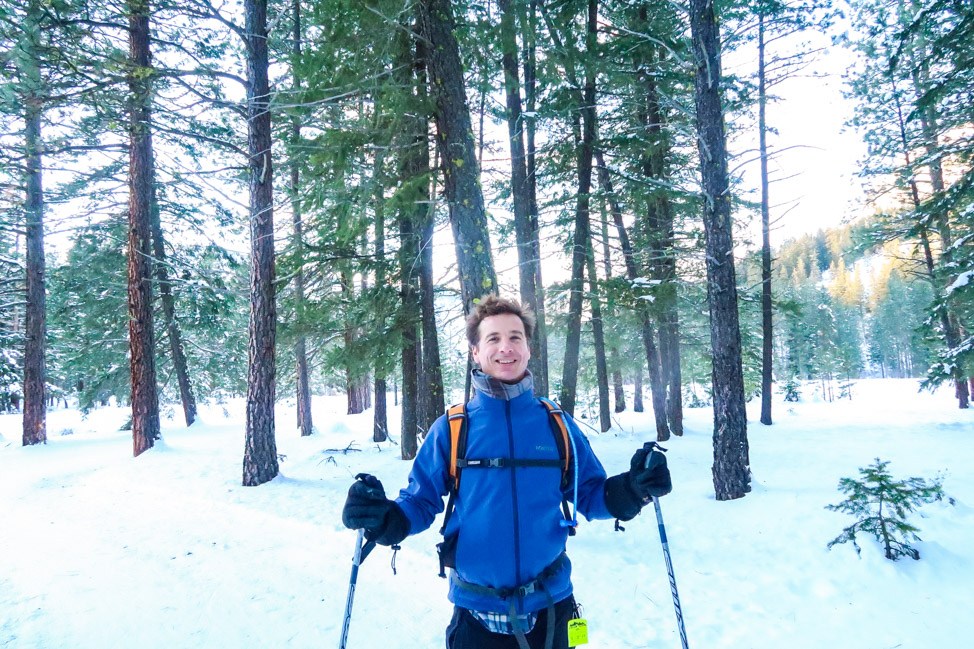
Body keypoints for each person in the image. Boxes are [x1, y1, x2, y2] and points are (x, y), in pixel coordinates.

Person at [342, 295, 672, 649]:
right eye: (493, 338)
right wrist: (385, 519)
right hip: (477, 614)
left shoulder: (556, 424)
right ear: (476, 352)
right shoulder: (454, 428)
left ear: (528, 348)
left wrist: (635, 488)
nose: (506, 348)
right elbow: (419, 502)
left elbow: (590, 495)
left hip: (552, 609)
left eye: (515, 337)